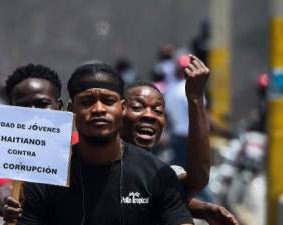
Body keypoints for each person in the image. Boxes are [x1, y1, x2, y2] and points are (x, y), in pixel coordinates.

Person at [17, 63, 193, 225]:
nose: (99, 110)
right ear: (71, 110)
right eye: (86, 102)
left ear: (122, 108)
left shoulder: (156, 174)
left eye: (108, 101)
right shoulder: (45, 177)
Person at [121, 81, 239, 225]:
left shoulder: (163, 175)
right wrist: (199, 208)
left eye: (158, 111)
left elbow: (196, 181)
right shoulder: (95, 163)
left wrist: (195, 99)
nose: (149, 116)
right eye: (138, 107)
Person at [0, 63, 64, 219]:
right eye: (23, 106)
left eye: (42, 104)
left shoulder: (79, 145)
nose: (32, 113)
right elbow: (3, 183)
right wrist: (7, 202)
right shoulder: (5, 149)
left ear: (60, 106)